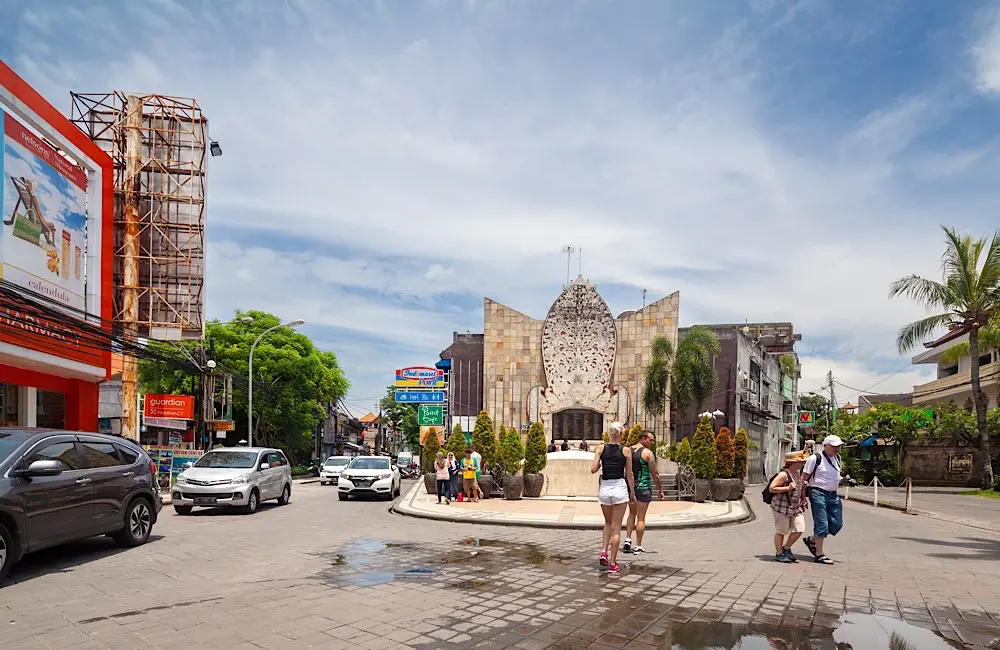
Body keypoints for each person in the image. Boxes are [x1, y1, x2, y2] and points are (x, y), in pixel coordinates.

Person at [591, 422, 635, 574]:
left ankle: (604, 550)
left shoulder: (600, 448)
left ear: (609, 434)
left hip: (605, 487)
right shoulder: (626, 451)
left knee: (607, 523)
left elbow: (593, 469)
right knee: (617, 528)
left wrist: (601, 462)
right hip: (619, 487)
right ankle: (613, 563)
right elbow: (629, 474)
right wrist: (632, 493)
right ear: (621, 434)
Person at [800, 435, 843, 565]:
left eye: (838, 446)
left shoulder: (837, 458)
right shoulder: (815, 458)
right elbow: (804, 479)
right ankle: (819, 554)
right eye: (834, 446)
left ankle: (812, 539)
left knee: (836, 523)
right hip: (818, 493)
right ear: (825, 446)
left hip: (833, 495)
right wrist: (802, 498)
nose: (837, 448)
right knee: (822, 524)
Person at [623, 430, 663, 553]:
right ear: (643, 438)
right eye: (650, 440)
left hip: (630, 487)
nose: (652, 442)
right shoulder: (647, 453)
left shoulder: (628, 450)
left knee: (631, 513)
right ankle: (638, 545)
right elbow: (655, 474)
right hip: (643, 486)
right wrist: (660, 489)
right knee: (641, 518)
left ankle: (628, 539)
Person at [769, 451, 808, 563]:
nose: (802, 463)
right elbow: (772, 488)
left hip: (795, 507)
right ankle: (779, 553)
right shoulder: (783, 475)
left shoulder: (798, 473)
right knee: (782, 531)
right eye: (800, 461)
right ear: (792, 462)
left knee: (799, 528)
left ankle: (786, 548)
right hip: (781, 507)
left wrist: (803, 500)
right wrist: (787, 488)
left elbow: (799, 489)